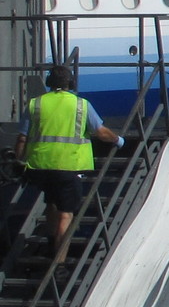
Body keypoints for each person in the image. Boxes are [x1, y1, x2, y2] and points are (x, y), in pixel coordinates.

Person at [15, 65, 123, 269]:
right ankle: (59, 264)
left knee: (51, 204)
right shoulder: (81, 105)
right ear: (71, 83)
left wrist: (18, 162)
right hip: (68, 167)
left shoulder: (35, 104)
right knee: (66, 214)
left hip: (39, 167)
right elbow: (100, 132)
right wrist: (118, 140)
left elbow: (22, 138)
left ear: (49, 83)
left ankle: (49, 244)